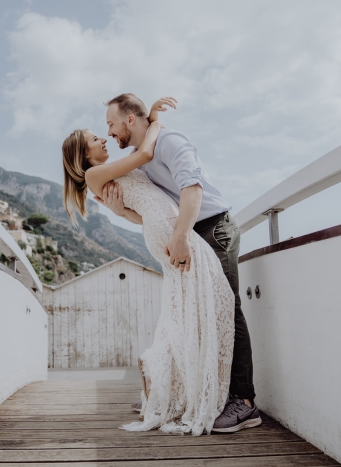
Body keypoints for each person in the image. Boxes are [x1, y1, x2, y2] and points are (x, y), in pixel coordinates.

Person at [61, 98, 239, 436]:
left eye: (107, 129)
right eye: (96, 138)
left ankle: (169, 384)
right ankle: (192, 387)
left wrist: (121, 213)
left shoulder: (122, 165)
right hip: (171, 233)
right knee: (215, 301)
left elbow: (139, 201)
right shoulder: (97, 172)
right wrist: (156, 121)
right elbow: (144, 154)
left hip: (168, 230)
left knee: (190, 308)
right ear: (84, 156)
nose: (104, 137)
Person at [98, 93, 260, 433]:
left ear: (129, 120)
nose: (109, 133)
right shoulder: (138, 158)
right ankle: (203, 393)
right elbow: (151, 213)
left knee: (226, 308)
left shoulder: (171, 141)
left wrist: (182, 236)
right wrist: (118, 211)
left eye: (111, 125)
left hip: (212, 228)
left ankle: (244, 403)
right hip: (186, 234)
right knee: (197, 315)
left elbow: (193, 188)